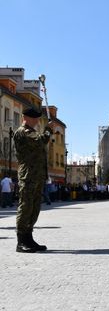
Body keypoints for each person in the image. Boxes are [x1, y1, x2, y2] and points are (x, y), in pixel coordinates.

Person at [14, 107, 53, 253]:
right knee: (26, 206)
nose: (37, 121)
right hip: (28, 175)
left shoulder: (32, 131)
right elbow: (41, 140)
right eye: (35, 118)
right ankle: (21, 241)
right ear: (26, 117)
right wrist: (48, 130)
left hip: (37, 175)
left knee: (34, 207)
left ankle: (29, 238)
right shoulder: (23, 132)